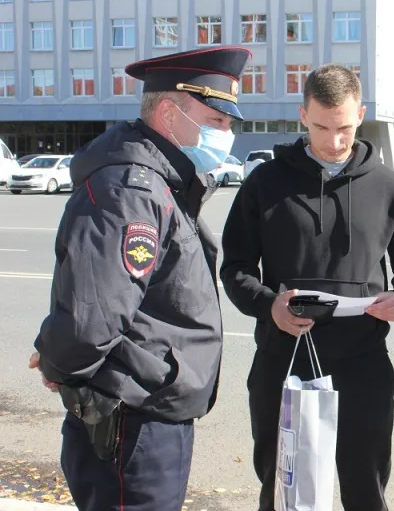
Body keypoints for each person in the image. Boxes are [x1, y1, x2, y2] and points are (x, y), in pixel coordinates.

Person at [28, 45, 251, 511]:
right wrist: (60, 361)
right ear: (170, 114)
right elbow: (94, 316)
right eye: (217, 122)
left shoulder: (162, 182)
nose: (227, 135)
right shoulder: (132, 190)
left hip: (149, 412)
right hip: (131, 422)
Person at [220, 64, 394, 511]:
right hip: (283, 361)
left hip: (364, 364)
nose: (333, 140)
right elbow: (236, 266)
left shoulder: (390, 188)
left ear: (360, 114)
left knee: (366, 489)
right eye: (321, 126)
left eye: (343, 127)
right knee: (283, 488)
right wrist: (268, 306)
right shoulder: (266, 182)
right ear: (303, 115)